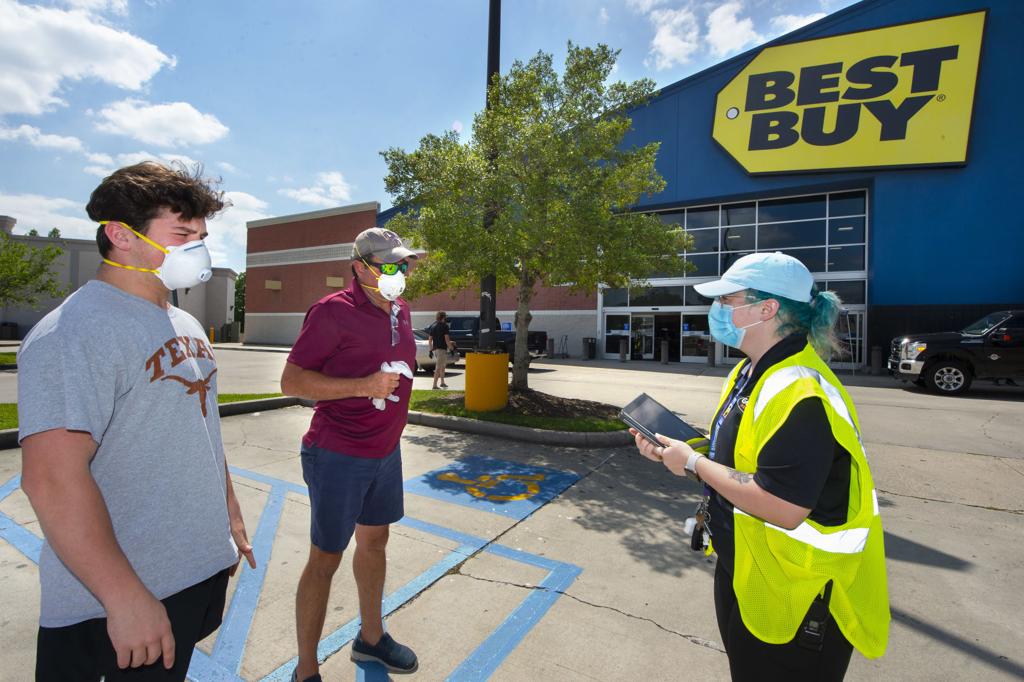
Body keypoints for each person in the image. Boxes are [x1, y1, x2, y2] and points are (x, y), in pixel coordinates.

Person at [17, 162, 255, 681]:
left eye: (202, 236)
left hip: (190, 575)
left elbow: (200, 427)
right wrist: (123, 597)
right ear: (120, 236)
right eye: (183, 234)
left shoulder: (185, 321)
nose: (199, 249)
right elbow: (51, 479)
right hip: (114, 604)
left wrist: (228, 516)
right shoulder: (73, 333)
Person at [632, 252, 889, 681]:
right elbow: (734, 456)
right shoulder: (749, 372)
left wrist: (693, 463)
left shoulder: (802, 392)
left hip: (800, 596)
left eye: (727, 301)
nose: (716, 311)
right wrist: (676, 451)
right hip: (749, 575)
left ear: (767, 309)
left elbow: (783, 506)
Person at [280, 227, 419, 680]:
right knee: (326, 558)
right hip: (337, 453)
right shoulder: (331, 313)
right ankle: (305, 670)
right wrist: (363, 386)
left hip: (385, 452)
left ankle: (371, 640)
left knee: (375, 542)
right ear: (360, 267)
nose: (402, 273)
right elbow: (293, 382)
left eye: (406, 264)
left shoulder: (401, 310)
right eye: (392, 265)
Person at [428, 311, 456, 389]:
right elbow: (446, 339)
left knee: (442, 367)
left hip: (436, 350)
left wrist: (430, 350)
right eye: (445, 317)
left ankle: (442, 382)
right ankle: (434, 385)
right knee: (438, 367)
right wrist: (451, 349)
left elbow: (430, 340)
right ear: (443, 317)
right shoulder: (445, 326)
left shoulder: (433, 326)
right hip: (442, 350)